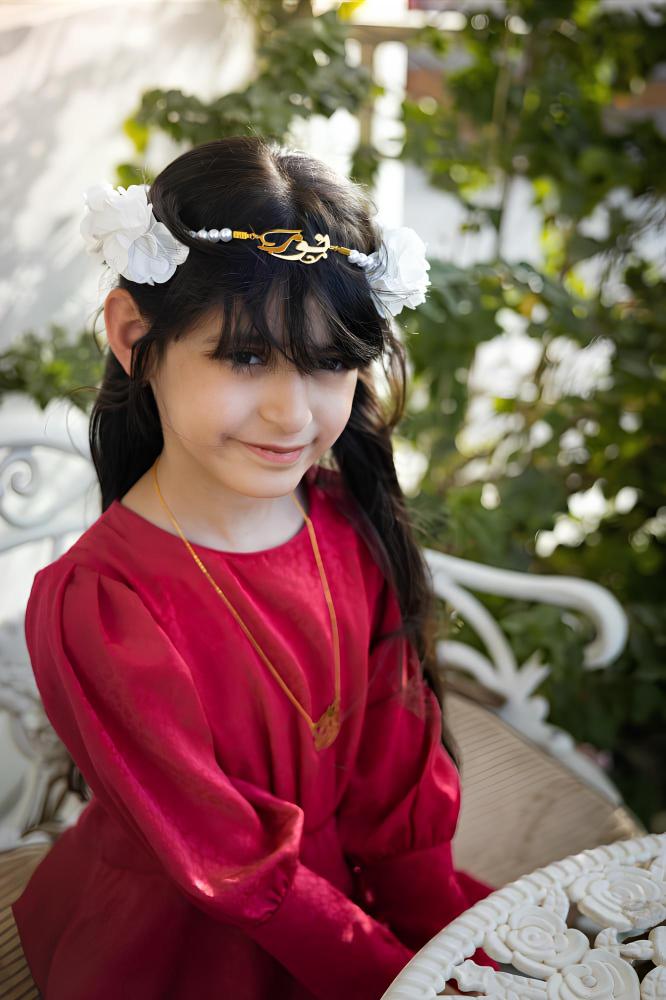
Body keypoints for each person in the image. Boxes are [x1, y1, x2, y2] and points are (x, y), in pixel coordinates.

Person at [12, 136, 497, 1000]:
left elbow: (396, 778)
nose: (290, 414)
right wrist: (392, 979)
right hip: (187, 943)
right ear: (135, 336)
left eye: (330, 363)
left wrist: (441, 951)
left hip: (348, 913)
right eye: (245, 356)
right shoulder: (101, 603)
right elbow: (228, 863)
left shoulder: (347, 525)